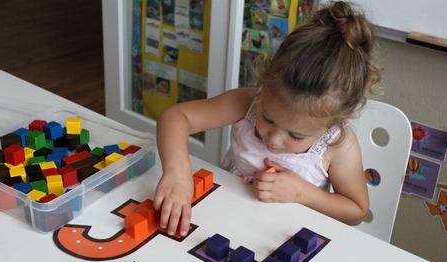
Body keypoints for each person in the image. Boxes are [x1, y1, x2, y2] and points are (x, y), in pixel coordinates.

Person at [153, 1, 382, 237]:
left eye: (296, 135)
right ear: (265, 83)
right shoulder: (246, 103)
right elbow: (175, 117)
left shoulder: (338, 145)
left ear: (335, 122)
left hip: (286, 238)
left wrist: (301, 193)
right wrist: (177, 172)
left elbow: (356, 211)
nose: (273, 138)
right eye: (268, 118)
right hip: (224, 220)